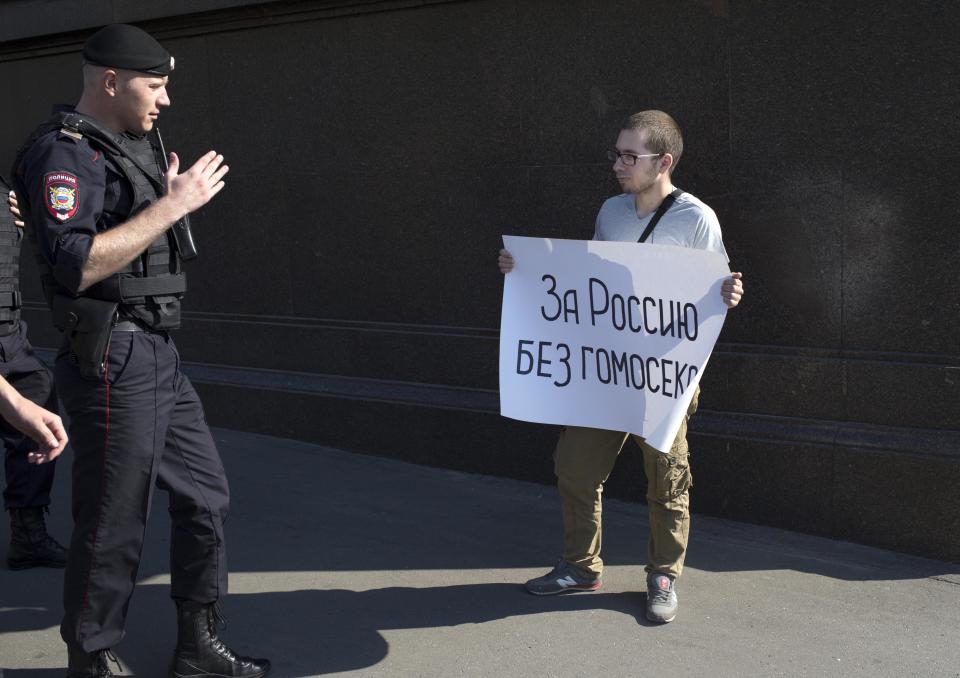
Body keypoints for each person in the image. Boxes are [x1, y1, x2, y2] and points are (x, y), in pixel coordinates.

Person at [11, 23, 269, 678]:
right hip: (111, 357)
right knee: (112, 520)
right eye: (154, 86)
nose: (165, 100)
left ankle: (198, 644)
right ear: (110, 81)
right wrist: (169, 206)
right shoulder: (63, 155)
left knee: (206, 494)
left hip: (155, 351)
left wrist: (165, 202)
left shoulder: (124, 147)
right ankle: (92, 658)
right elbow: (74, 265)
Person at [498, 110, 744, 624]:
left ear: (664, 162)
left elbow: (712, 288)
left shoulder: (696, 219)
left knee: (667, 476)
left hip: (661, 378)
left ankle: (662, 576)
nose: (618, 164)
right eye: (616, 153)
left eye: (630, 156)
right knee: (575, 467)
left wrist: (729, 292)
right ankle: (580, 566)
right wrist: (523, 271)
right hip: (605, 372)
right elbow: (590, 284)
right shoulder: (611, 211)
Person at [1, 178, 68, 570]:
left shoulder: (8, 192)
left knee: (38, 392)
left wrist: (31, 222)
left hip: (9, 335)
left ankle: (28, 532)